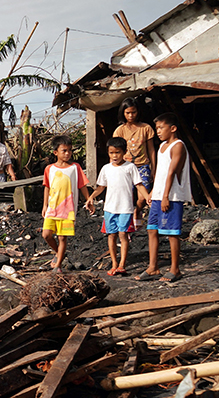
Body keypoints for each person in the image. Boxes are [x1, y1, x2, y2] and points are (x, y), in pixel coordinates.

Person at [138, 113, 193, 283]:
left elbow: (171, 172)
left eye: (161, 128)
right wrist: (154, 191)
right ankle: (153, 267)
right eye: (157, 128)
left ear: (173, 128)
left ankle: (175, 269)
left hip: (172, 196)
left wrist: (166, 196)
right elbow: (161, 173)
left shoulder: (178, 146)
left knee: (171, 233)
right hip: (159, 195)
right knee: (152, 230)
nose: (158, 131)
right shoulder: (162, 146)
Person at [87, 137, 148, 276]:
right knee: (111, 235)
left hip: (125, 208)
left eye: (117, 152)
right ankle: (114, 263)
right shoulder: (106, 169)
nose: (114, 156)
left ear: (124, 152)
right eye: (111, 153)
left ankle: (122, 264)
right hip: (109, 208)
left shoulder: (130, 167)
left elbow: (138, 184)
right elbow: (101, 187)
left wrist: (147, 196)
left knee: (123, 235)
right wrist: (91, 197)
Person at [41, 135, 92, 273]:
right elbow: (47, 186)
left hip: (68, 210)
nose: (67, 153)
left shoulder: (75, 168)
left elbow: (82, 185)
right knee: (46, 234)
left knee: (62, 237)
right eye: (64, 150)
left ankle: (58, 266)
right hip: (52, 207)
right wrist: (45, 205)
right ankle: (59, 254)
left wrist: (88, 200)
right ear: (55, 152)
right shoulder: (49, 169)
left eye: (69, 150)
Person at [113, 98, 157, 189]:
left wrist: (153, 168)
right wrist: (113, 169)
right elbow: (114, 151)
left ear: (138, 112)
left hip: (143, 166)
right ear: (123, 113)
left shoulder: (146, 128)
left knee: (143, 197)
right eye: (127, 113)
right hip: (125, 167)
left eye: (133, 112)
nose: (131, 116)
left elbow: (151, 149)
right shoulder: (120, 130)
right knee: (127, 195)